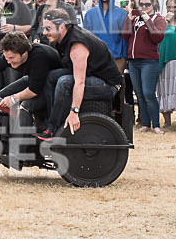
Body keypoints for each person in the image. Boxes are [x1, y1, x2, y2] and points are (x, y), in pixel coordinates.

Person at [37, 8, 123, 140]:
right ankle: (49, 122)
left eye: (48, 29)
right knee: (51, 77)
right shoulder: (64, 37)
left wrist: (74, 112)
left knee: (64, 83)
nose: (44, 33)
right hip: (93, 75)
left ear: (62, 27)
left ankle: (54, 130)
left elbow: (80, 82)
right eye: (44, 28)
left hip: (109, 85)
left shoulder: (77, 45)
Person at [0, 31, 61, 125]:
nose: (8, 61)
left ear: (24, 53)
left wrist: (13, 98)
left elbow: (34, 90)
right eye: (6, 58)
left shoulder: (39, 56)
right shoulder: (10, 56)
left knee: (25, 106)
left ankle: (34, 131)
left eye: (11, 58)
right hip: (32, 80)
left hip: (52, 86)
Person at [122, 0, 166, 134]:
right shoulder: (135, 18)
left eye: (148, 4)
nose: (144, 7)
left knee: (149, 93)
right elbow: (125, 35)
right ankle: (146, 123)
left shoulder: (158, 19)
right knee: (139, 93)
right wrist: (129, 18)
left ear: (154, 5)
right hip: (134, 61)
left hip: (149, 61)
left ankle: (156, 124)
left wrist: (148, 19)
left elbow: (157, 37)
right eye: (142, 4)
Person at [83, 0, 129, 73]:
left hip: (116, 60)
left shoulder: (121, 14)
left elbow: (125, 39)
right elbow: (85, 38)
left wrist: (124, 59)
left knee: (116, 88)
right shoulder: (90, 14)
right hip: (95, 60)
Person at [156, 0, 176, 128]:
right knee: (165, 88)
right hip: (164, 58)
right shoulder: (162, 20)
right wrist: (165, 21)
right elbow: (157, 35)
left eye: (174, 7)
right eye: (169, 7)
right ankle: (167, 121)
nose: (172, 9)